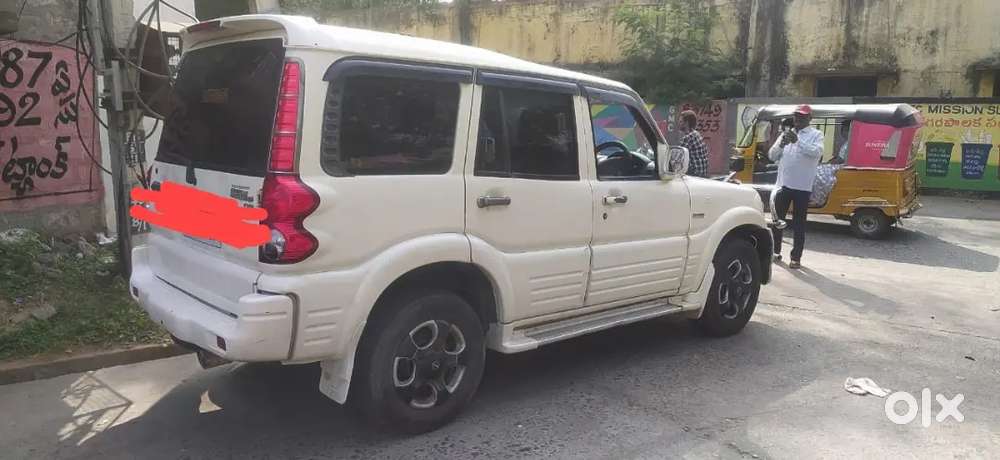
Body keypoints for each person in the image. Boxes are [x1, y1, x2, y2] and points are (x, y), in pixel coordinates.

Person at [767, 105, 824, 269]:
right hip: (783, 184)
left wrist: (797, 141)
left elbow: (816, 153)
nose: (798, 119)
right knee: (777, 221)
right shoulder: (786, 134)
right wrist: (781, 144)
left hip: (802, 187)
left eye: (802, 117)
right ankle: (775, 252)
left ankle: (796, 258)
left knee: (799, 224)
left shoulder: (816, 135)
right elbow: (772, 156)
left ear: (810, 119)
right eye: (796, 116)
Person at [678, 110, 709, 178]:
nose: (678, 123)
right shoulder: (696, 134)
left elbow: (678, 157)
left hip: (694, 174)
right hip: (702, 173)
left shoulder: (688, 138)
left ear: (686, 123)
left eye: (681, 121)